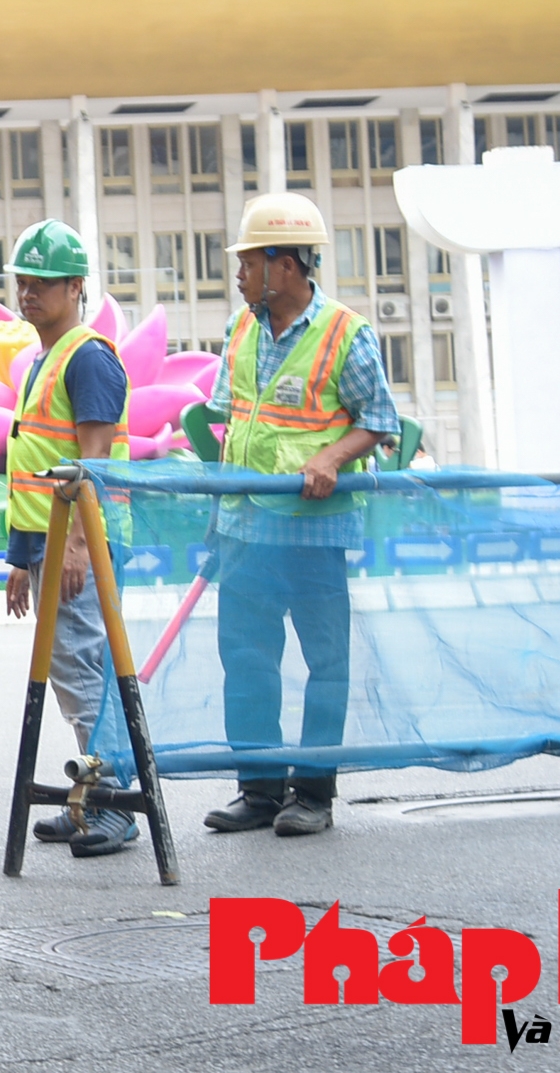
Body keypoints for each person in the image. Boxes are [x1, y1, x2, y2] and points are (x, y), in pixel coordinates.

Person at [201, 192, 399, 839]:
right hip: (245, 527)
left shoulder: (347, 333)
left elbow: (380, 421)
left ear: (285, 265)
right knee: (247, 657)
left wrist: (330, 457)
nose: (238, 275)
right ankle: (258, 787)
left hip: (314, 528)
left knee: (325, 660)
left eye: (248, 261)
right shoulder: (239, 329)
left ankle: (312, 790)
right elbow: (225, 420)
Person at [0, 220, 137, 859]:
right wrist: (22, 560)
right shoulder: (42, 360)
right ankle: (90, 798)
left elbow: (93, 465)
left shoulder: (88, 358)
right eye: (23, 282)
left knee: (85, 671)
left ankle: (113, 805)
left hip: (88, 550)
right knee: (72, 674)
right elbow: (33, 470)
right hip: (53, 547)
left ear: (76, 287)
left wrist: (79, 546)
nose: (29, 293)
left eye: (44, 284)